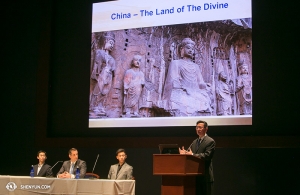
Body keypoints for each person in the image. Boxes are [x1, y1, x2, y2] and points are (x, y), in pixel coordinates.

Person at [162, 38, 212, 116]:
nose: (191, 50)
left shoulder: (196, 66)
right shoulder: (176, 63)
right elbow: (171, 80)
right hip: (182, 91)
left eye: (192, 49)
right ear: (182, 49)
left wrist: (206, 85)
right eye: (188, 48)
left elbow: (200, 83)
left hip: (195, 92)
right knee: (179, 96)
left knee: (205, 97)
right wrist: (177, 82)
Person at [179, 120, 215, 195]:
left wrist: (192, 154)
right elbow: (190, 153)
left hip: (206, 176)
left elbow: (207, 156)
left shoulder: (210, 141)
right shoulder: (195, 142)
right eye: (197, 127)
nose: (198, 129)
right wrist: (185, 153)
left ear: (206, 129)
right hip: (195, 177)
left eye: (200, 127)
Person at [89, 31, 116, 117]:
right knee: (98, 90)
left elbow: (113, 69)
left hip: (109, 75)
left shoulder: (112, 58)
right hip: (102, 74)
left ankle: (101, 106)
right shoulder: (100, 52)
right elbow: (97, 64)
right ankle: (94, 106)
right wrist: (96, 74)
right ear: (105, 41)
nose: (112, 45)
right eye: (110, 43)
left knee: (105, 91)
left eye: (113, 44)